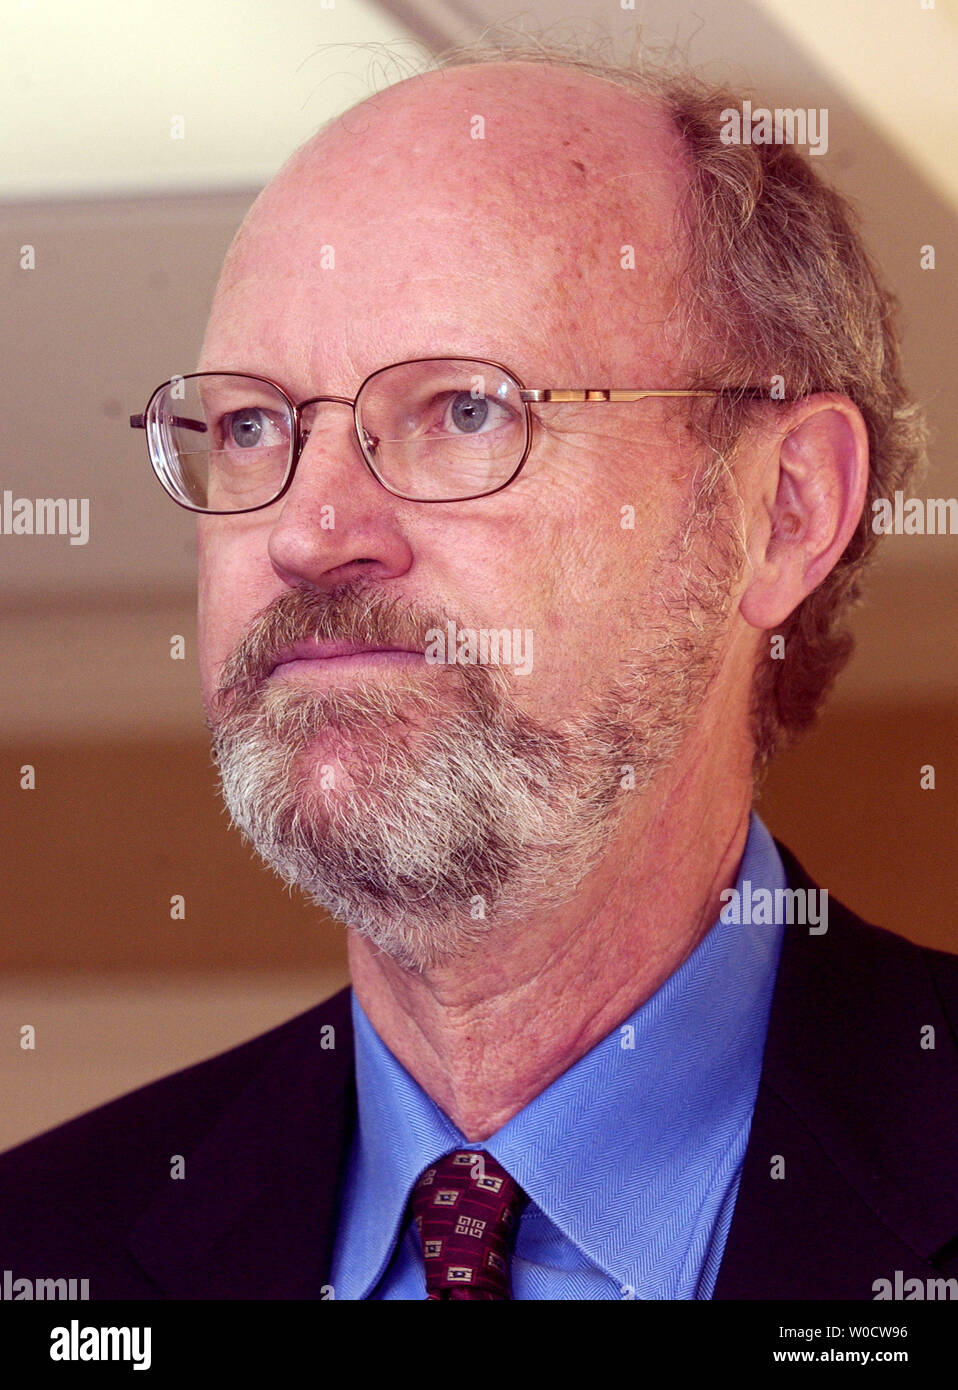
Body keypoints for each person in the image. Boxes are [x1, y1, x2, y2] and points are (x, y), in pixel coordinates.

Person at [1, 50, 956, 1302]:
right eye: (250, 427)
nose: (309, 529)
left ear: (779, 509)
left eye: (464, 408)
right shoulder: (42, 1250)